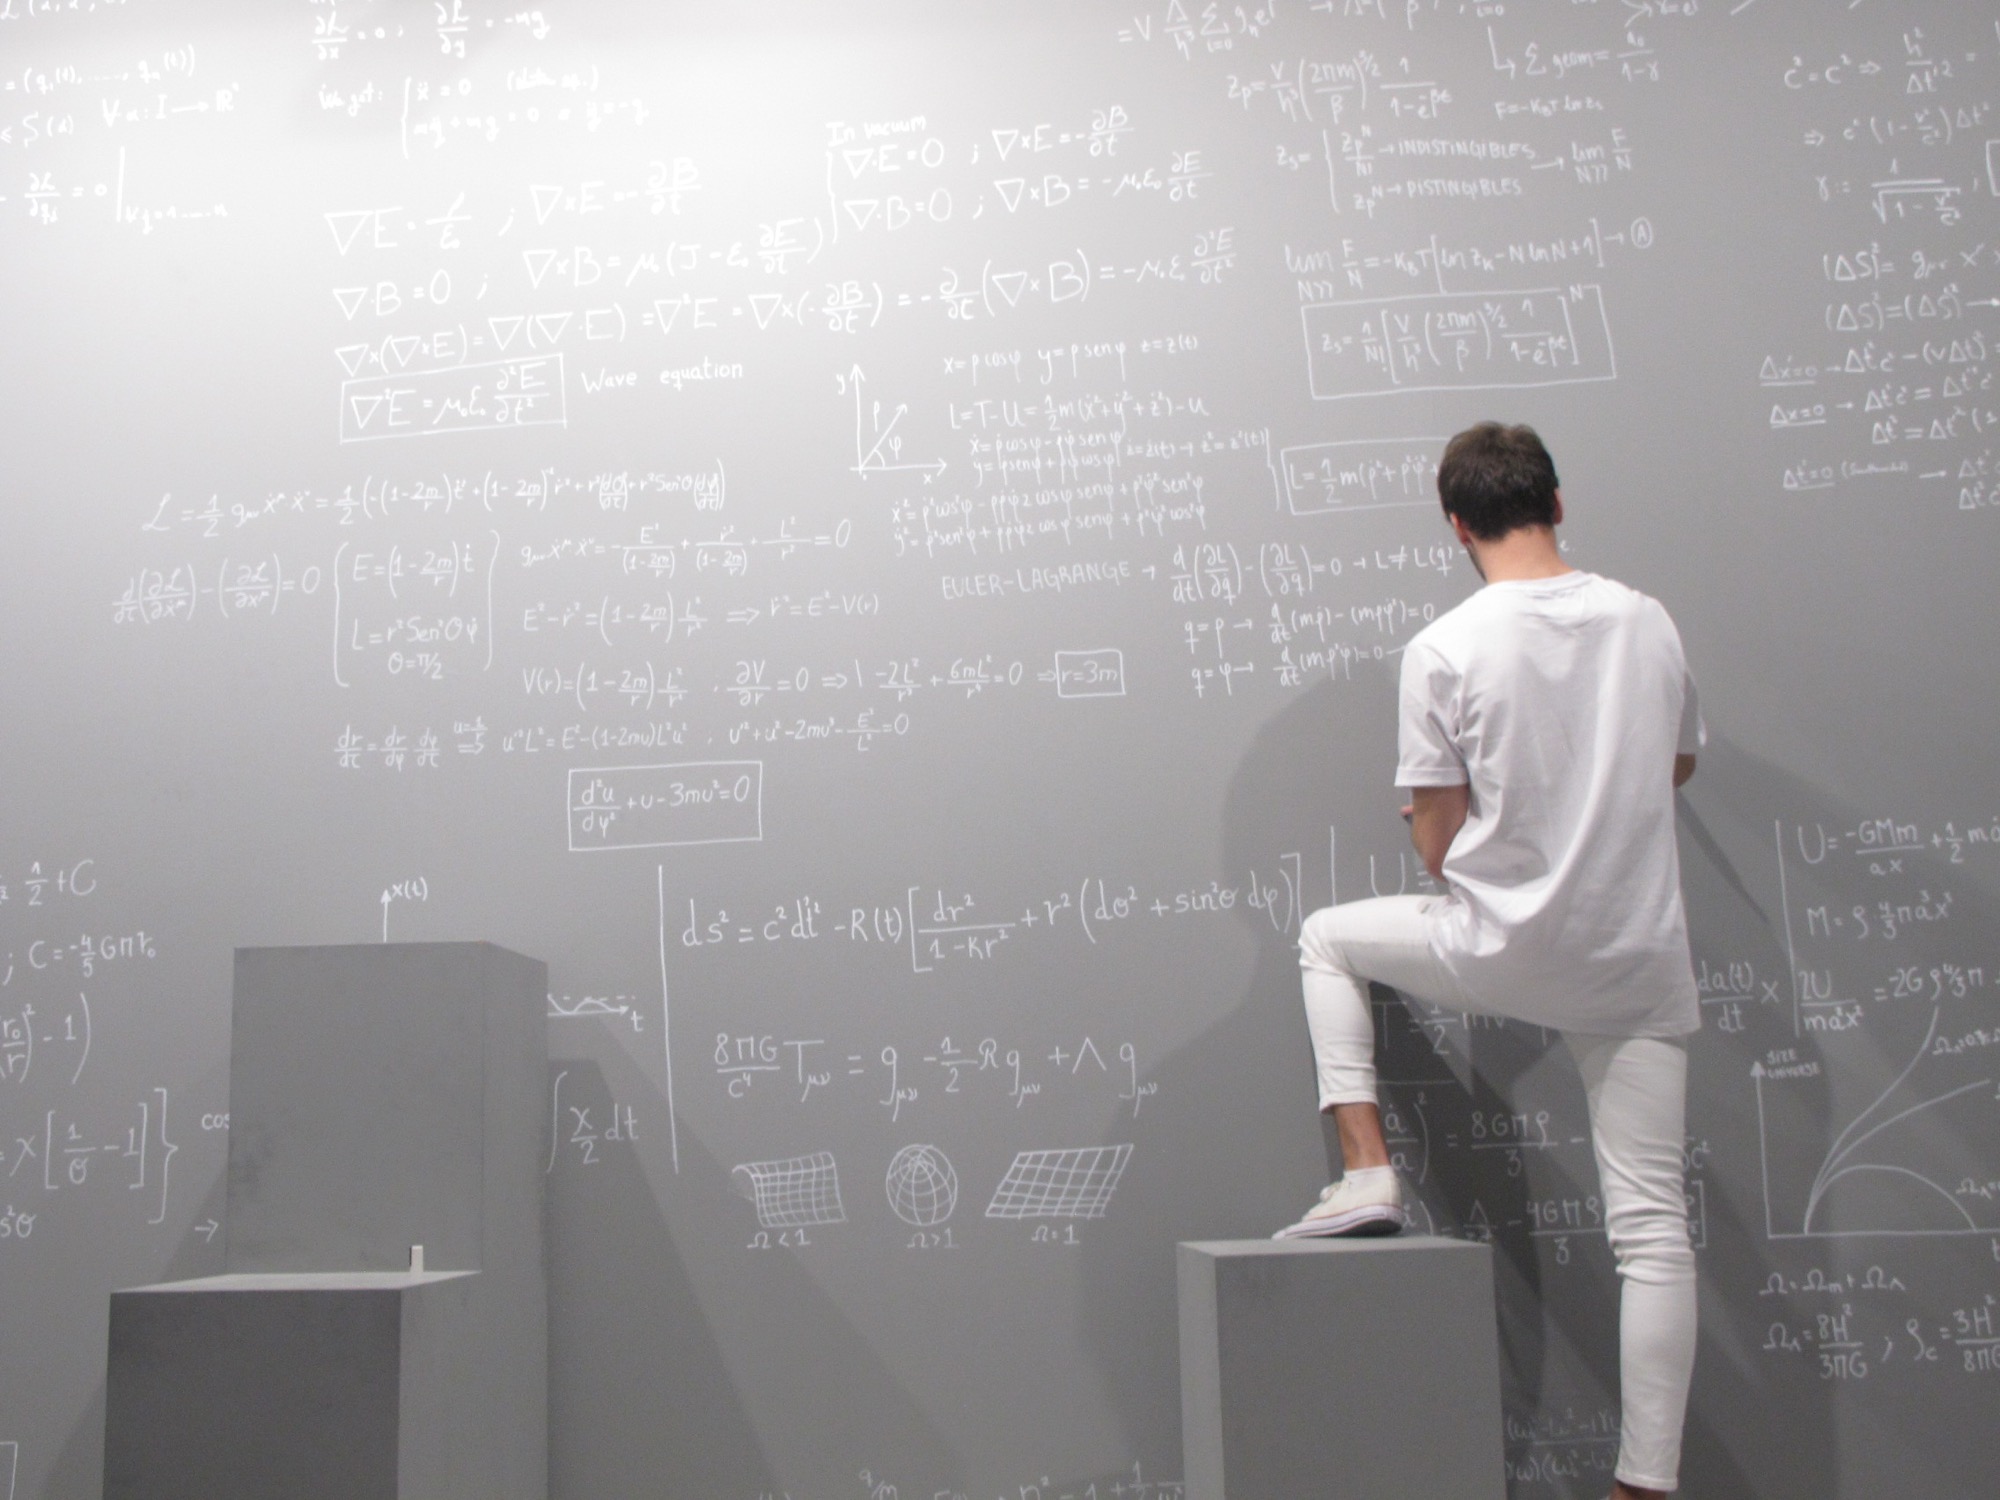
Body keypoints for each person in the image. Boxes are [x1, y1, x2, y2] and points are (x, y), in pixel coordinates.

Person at [1277, 423, 1701, 1500]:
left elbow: (1434, 840)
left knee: (1326, 937)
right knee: (1652, 1235)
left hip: (1502, 944)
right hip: (1632, 958)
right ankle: (1644, 1487)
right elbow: (1676, 764)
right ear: (1556, 503)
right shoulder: (1646, 620)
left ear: (1456, 525)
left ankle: (1366, 1172)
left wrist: (1477, 827)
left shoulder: (1445, 646)